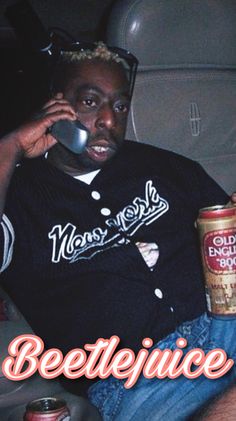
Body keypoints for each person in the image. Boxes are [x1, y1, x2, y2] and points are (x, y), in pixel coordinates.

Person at [0, 41, 235, 420]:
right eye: (90, 102)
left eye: (120, 106)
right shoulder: (18, 197)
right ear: (55, 106)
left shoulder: (166, 167)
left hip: (225, 327)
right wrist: (9, 146)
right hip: (139, 380)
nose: (109, 120)